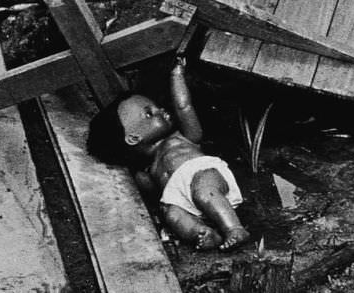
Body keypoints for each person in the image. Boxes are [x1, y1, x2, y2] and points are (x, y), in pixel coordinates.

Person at [87, 58, 250, 251]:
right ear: (133, 138)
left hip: (206, 178)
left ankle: (234, 228)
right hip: (183, 200)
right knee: (172, 213)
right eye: (149, 113)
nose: (160, 110)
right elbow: (152, 193)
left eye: (155, 107)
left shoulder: (184, 138)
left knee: (203, 191)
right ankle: (204, 232)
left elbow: (184, 106)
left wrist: (177, 76)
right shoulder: (148, 169)